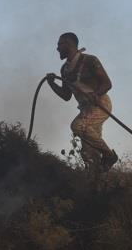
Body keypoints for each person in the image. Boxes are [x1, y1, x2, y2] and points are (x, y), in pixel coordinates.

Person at [45, 32, 119, 172]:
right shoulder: (65, 69)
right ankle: (99, 182)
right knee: (88, 154)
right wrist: (51, 83)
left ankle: (109, 156)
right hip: (85, 109)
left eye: (59, 44)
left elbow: (107, 84)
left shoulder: (90, 60)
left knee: (78, 126)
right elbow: (66, 96)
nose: (57, 48)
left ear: (69, 44)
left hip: (100, 105)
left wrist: (96, 95)